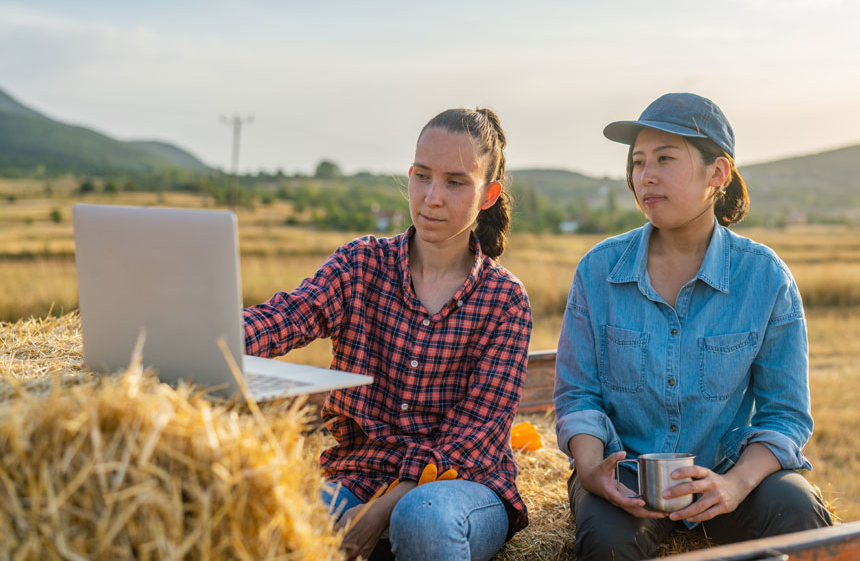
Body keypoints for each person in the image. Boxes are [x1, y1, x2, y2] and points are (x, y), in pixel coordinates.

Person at [553, 93, 833, 560]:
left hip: (727, 471)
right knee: (607, 545)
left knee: (799, 513)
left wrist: (735, 485)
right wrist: (589, 470)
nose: (646, 175)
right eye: (639, 162)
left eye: (665, 159)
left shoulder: (764, 278)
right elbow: (577, 395)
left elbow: (785, 415)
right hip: (628, 480)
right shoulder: (598, 271)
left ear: (718, 174)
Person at [244, 108, 531, 561]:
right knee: (277, 518)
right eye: (423, 176)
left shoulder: (504, 300)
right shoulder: (361, 264)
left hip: (462, 489)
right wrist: (205, 335)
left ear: (488, 195)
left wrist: (382, 510)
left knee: (421, 518)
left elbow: (469, 441)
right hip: (358, 476)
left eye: (455, 182)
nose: (432, 197)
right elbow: (289, 316)